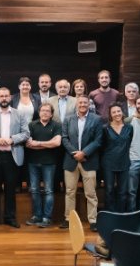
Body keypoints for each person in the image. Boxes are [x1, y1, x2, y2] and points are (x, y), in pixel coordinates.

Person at [0, 87, 30, 228]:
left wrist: (12, 139)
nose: (4, 98)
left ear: (10, 98)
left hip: (12, 155)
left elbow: (26, 133)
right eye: (1, 96)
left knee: (11, 188)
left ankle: (10, 217)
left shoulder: (19, 114)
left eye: (6, 96)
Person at [60, 95, 103, 232]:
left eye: (85, 102)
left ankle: (93, 220)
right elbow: (64, 138)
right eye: (80, 102)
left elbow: (98, 140)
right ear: (76, 104)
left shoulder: (96, 119)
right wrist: (75, 154)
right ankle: (68, 218)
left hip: (89, 160)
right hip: (71, 160)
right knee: (70, 191)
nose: (82, 104)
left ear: (89, 105)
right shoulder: (68, 119)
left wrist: (83, 153)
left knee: (91, 193)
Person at [25, 103, 62, 228]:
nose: (45, 113)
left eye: (47, 111)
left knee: (49, 190)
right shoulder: (32, 125)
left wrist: (38, 143)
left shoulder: (57, 125)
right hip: (33, 162)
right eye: (42, 110)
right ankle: (37, 216)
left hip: (49, 163)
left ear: (51, 114)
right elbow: (28, 144)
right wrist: (46, 144)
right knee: (34, 190)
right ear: (39, 112)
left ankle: (47, 218)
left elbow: (56, 143)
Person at [102, 103, 133, 212]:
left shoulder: (129, 128)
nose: (117, 114)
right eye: (114, 112)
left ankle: (121, 215)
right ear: (110, 115)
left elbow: (131, 144)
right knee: (109, 190)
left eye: (118, 111)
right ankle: (110, 215)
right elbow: (102, 145)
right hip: (108, 163)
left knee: (123, 191)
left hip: (124, 162)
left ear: (122, 112)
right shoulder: (105, 128)